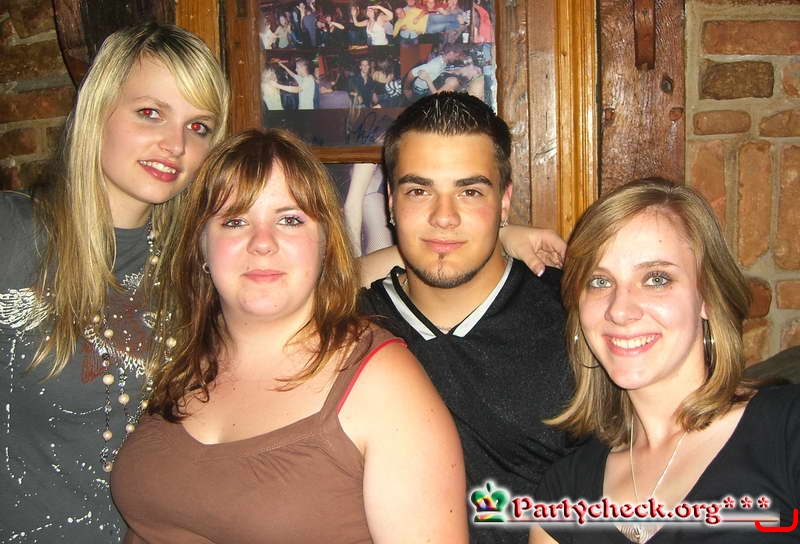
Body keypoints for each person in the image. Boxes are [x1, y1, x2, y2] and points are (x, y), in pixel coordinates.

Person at [111, 129, 468, 543]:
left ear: (324, 243)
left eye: (290, 219)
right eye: (235, 221)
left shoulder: (386, 387)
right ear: (202, 246)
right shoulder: (178, 350)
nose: (262, 243)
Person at [0, 23, 229, 542]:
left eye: (198, 127)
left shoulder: (201, 265)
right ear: (97, 110)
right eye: (150, 113)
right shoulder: (13, 235)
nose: (175, 144)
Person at [531, 178, 800, 544]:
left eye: (656, 279)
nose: (620, 310)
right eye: (600, 281)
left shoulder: (787, 431)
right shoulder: (564, 492)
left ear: (707, 297)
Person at [358, 92, 575, 544]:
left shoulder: (577, 319)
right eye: (419, 191)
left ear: (504, 202)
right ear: (391, 203)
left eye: (470, 192)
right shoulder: (348, 324)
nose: (444, 218)